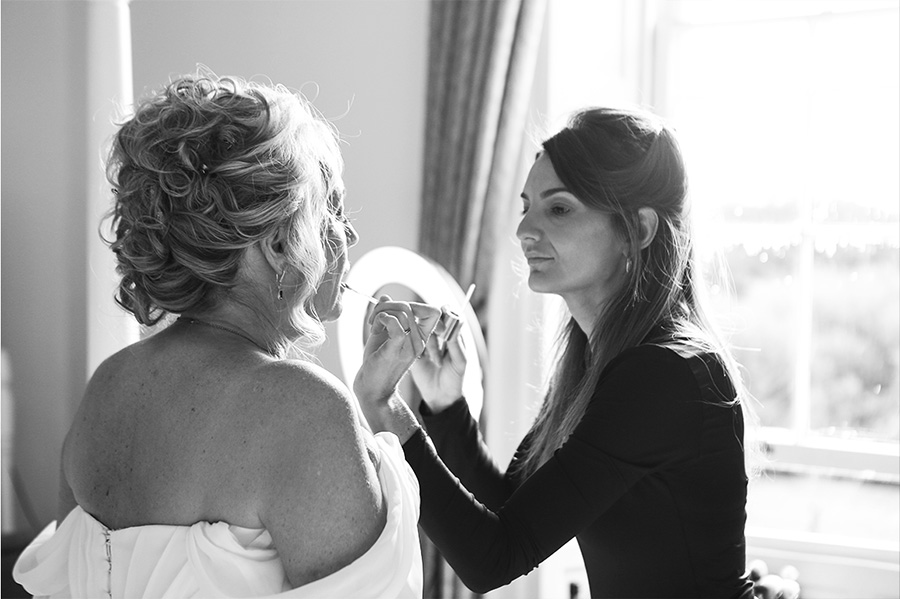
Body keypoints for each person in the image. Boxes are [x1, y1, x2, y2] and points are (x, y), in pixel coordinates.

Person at [13, 72, 439, 599]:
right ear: (281, 244)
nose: (348, 233)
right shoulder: (305, 410)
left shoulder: (106, 388)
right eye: (332, 208)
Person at [358, 107, 757, 598]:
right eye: (527, 206)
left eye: (559, 208)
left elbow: (493, 559)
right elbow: (512, 508)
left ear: (640, 229)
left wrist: (383, 406)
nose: (526, 231)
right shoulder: (601, 362)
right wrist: (446, 405)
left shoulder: (663, 373)